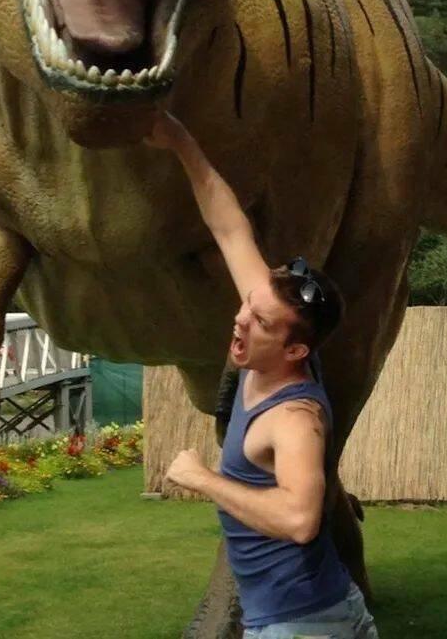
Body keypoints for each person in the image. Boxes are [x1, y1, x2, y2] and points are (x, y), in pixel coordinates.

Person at [146, 111, 379, 639]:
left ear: (296, 349)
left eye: (261, 322)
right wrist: (180, 140)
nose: (242, 319)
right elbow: (229, 227)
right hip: (314, 613)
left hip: (301, 626)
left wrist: (203, 479)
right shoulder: (275, 342)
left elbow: (300, 520)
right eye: (248, 306)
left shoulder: (294, 418)